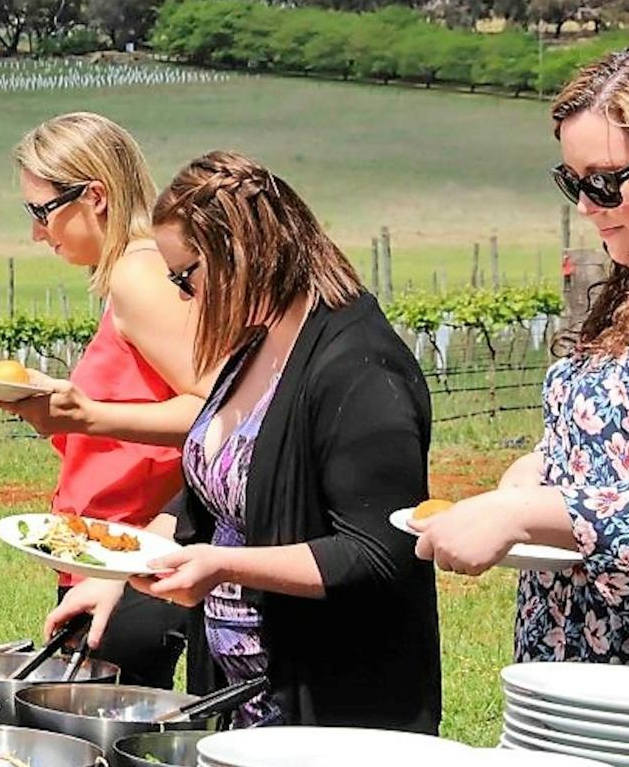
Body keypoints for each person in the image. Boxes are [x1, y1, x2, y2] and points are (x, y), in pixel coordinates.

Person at [41, 152, 442, 731]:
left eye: (186, 276)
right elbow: (212, 496)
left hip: (328, 709)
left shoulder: (359, 369)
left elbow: (379, 551)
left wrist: (224, 565)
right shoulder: (259, 340)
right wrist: (114, 575)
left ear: (240, 254)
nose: (183, 296)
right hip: (244, 696)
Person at [415, 44, 629, 676]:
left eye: (605, 181)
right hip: (573, 668)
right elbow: (624, 439)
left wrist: (523, 513)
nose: (586, 206)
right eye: (573, 182)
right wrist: (535, 468)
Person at [0, 113, 206, 686]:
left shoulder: (139, 276)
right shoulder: (136, 273)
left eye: (42, 212)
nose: (39, 233)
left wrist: (88, 414)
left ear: (96, 196)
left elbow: (215, 411)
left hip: (138, 548)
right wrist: (52, 415)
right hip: (111, 546)